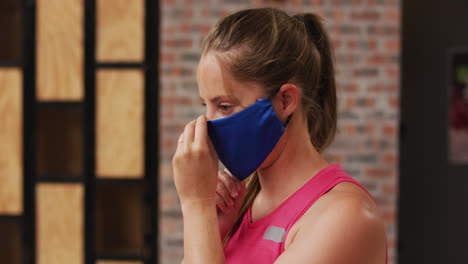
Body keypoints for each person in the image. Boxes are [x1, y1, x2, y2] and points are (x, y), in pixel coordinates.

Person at [172, 7, 387, 264]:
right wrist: (211, 229)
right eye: (205, 106)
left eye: (225, 106)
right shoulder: (238, 208)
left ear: (285, 101)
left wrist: (196, 206)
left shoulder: (346, 218)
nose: (208, 126)